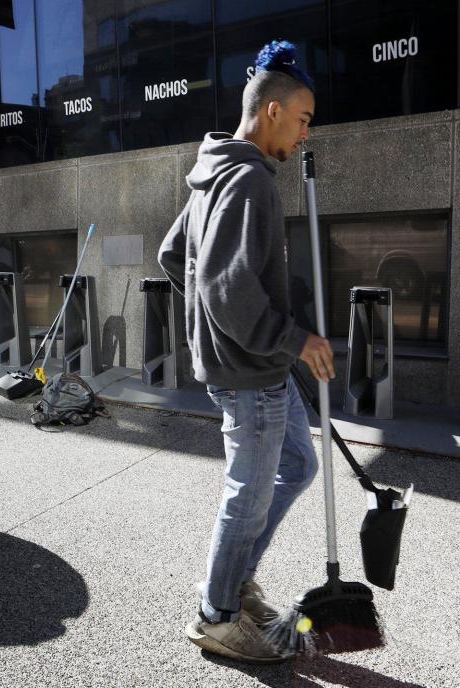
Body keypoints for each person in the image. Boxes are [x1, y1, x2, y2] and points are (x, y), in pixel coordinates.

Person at [158, 41, 335, 663]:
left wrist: (214, 328)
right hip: (251, 369)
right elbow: (224, 286)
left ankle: (231, 581)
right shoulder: (250, 179)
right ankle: (216, 614)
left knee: (298, 465)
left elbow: (173, 255)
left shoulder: (216, 167)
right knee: (249, 492)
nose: (307, 134)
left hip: (252, 364)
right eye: (305, 119)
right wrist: (295, 338)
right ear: (273, 112)